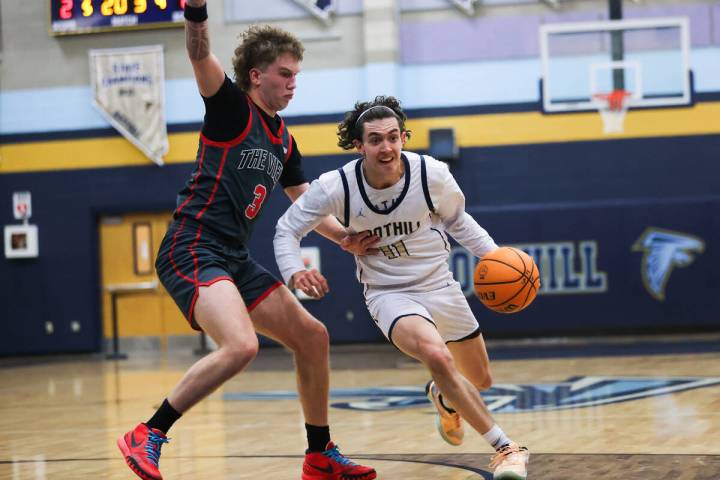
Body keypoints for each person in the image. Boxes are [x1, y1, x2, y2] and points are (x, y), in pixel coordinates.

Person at [116, 2, 377, 480]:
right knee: (241, 346)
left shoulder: (284, 140)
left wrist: (345, 239)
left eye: (296, 74)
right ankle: (148, 432)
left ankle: (319, 453)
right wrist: (195, 12)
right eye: (284, 73)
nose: (293, 82)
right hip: (192, 246)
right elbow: (199, 56)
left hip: (233, 257)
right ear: (256, 76)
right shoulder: (231, 107)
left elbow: (304, 202)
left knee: (313, 337)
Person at [274, 96, 530, 479]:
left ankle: (443, 396)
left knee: (479, 379)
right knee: (438, 356)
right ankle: (507, 448)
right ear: (359, 146)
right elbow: (286, 229)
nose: (386, 147)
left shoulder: (432, 174)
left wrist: (496, 258)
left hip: (439, 283)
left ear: (404, 138)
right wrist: (295, 271)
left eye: (393, 137)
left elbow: (459, 222)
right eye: (375, 140)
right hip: (388, 293)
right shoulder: (337, 185)